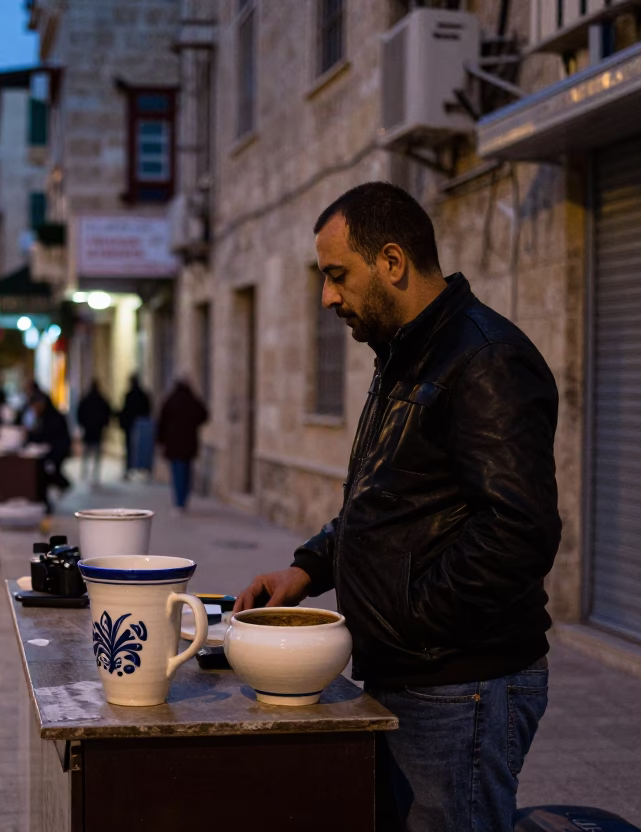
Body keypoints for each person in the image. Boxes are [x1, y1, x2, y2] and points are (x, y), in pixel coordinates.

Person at [233, 182, 560, 832]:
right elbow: (387, 499)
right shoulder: (405, 355)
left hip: (458, 686)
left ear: (391, 262)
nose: (327, 297)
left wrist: (411, 620)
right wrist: (306, 570)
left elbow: (519, 530)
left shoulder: (486, 359)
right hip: (415, 674)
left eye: (336, 276)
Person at [154, 378, 209, 513]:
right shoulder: (193, 401)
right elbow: (204, 415)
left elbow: (161, 422)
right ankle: (183, 500)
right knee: (186, 471)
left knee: (177, 471)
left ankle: (179, 502)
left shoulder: (170, 400)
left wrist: (160, 441)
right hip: (188, 443)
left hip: (173, 444)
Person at [27, 392, 71, 504]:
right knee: (47, 474)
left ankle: (63, 485)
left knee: (48, 473)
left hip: (56, 452)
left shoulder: (53, 417)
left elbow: (47, 436)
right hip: (52, 452)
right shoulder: (44, 416)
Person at [75, 380, 113, 486]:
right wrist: (104, 424)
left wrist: (83, 424)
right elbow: (107, 413)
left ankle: (85, 471)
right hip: (97, 430)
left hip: (89, 430)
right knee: (96, 452)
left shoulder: (86, 400)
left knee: (87, 452)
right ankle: (94, 473)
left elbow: (80, 413)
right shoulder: (101, 400)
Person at [118, 374, 152, 480]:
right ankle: (141, 469)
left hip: (132, 425)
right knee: (139, 447)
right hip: (139, 425)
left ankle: (130, 468)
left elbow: (126, 411)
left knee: (131, 447)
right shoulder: (142, 395)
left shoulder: (130, 396)